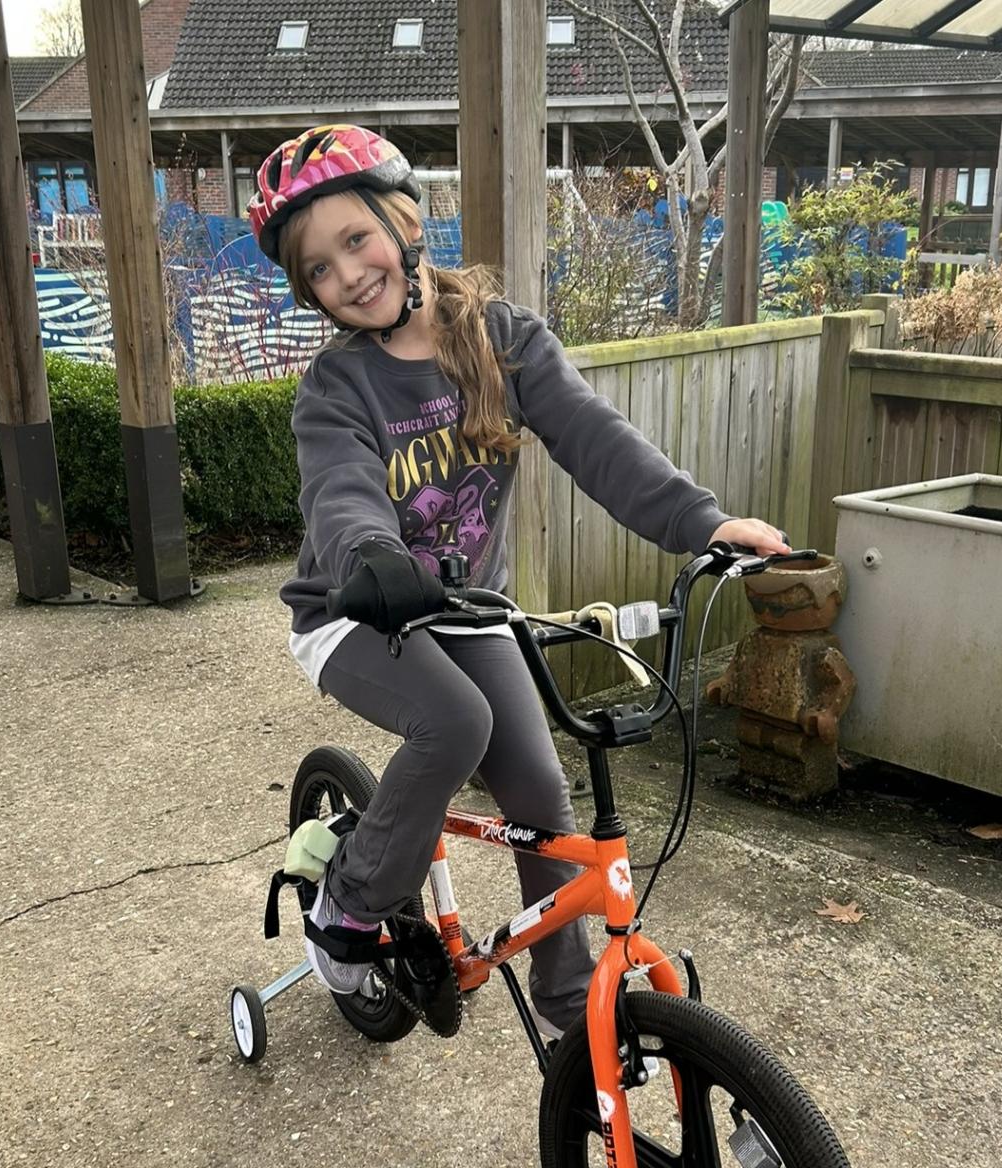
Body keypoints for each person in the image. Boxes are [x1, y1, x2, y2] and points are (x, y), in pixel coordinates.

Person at [249, 124, 789, 1037]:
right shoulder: (338, 387)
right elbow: (341, 491)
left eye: (355, 239)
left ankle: (572, 1005)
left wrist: (703, 524)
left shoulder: (501, 340)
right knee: (455, 723)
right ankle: (349, 904)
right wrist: (370, 554)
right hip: (357, 610)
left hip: (467, 610)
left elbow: (596, 441)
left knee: (543, 794)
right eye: (319, 269)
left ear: (405, 222)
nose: (347, 274)